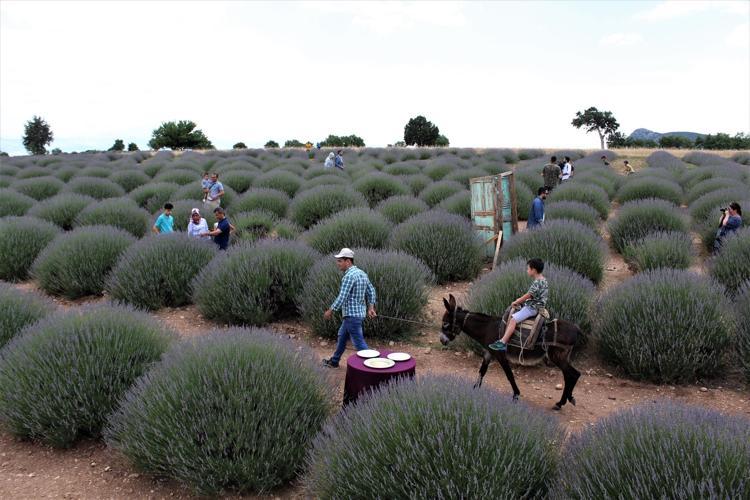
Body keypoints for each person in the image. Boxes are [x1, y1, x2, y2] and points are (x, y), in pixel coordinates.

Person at [322, 248, 378, 368]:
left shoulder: (349, 276)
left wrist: (330, 310)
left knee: (359, 344)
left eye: (340, 261)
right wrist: (371, 307)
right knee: (342, 336)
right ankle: (335, 361)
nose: (338, 264)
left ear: (348, 261)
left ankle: (375, 367)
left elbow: (342, 296)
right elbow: (371, 290)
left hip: (352, 317)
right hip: (357, 315)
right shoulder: (362, 273)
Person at [489, 258, 548, 352]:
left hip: (532, 308)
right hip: (538, 306)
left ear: (533, 270)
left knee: (513, 320)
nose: (527, 271)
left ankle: (503, 342)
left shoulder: (537, 283)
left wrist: (517, 301)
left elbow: (529, 295)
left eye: (528, 269)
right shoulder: (544, 280)